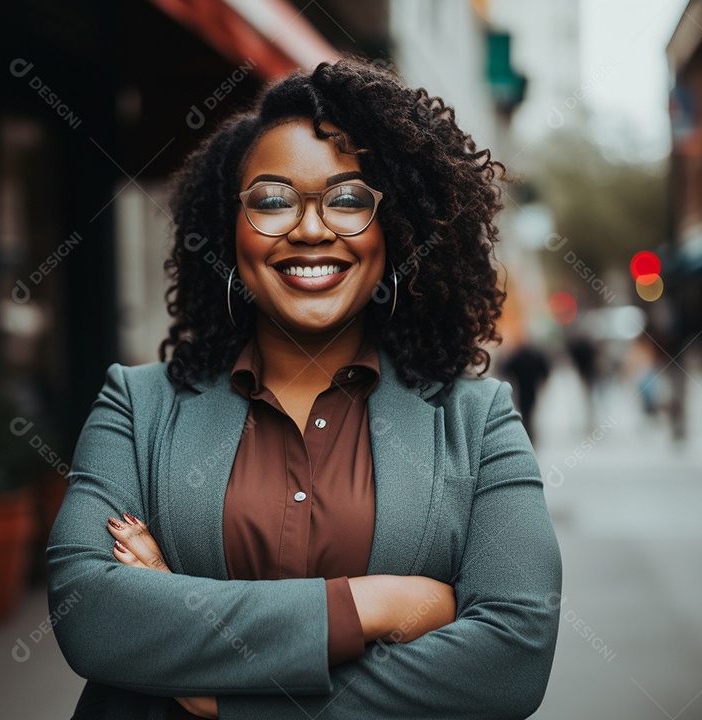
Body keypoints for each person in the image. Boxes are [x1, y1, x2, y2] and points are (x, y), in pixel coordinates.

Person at [47, 56, 562, 720]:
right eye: (270, 200)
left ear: (395, 230)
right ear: (228, 233)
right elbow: (88, 611)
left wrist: (222, 696)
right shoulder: (137, 406)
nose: (311, 228)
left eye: (349, 198)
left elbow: (511, 660)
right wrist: (380, 605)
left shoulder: (477, 420)